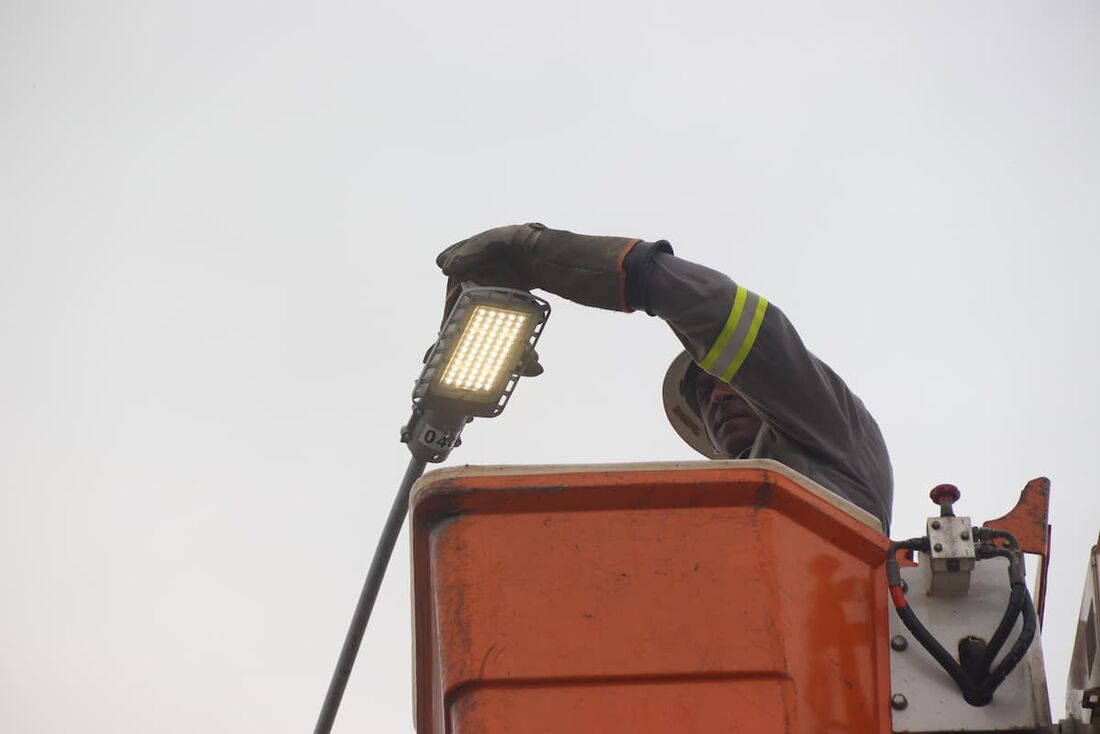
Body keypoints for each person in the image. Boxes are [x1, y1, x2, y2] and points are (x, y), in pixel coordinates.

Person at [436, 223, 893, 531]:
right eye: (701, 394)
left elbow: (719, 312)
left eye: (727, 379)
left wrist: (534, 254)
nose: (715, 397)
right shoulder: (714, 522)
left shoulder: (829, 430)